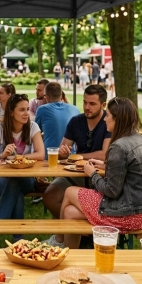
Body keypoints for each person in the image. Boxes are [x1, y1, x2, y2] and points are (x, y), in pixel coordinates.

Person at [60, 97, 142, 249]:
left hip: (129, 215)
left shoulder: (119, 146)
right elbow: (131, 171)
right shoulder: (140, 140)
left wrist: (93, 174)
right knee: (70, 212)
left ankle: (59, 240)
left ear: (117, 119)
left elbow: (111, 191)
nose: (105, 119)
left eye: (108, 115)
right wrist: (106, 166)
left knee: (69, 191)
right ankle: (70, 253)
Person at [43, 84, 112, 247]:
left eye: (92, 104)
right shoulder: (76, 121)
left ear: (103, 105)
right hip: (76, 173)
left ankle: (70, 235)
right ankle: (75, 230)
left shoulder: (109, 121)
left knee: (69, 198)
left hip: (100, 176)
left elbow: (104, 154)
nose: (87, 107)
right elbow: (63, 149)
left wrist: (78, 156)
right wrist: (63, 152)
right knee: (49, 196)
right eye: (85, 102)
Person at [0, 93, 45, 248]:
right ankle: (19, 240)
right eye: (21, 110)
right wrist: (2, 155)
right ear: (11, 112)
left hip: (26, 179)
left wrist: (19, 158)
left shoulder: (32, 126)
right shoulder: (0, 127)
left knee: (15, 182)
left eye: (27, 109)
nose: (26, 113)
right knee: (15, 188)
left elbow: (41, 154)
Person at [35, 82, 80, 150]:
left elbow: (35, 133)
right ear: (61, 96)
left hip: (50, 153)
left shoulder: (42, 109)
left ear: (46, 97)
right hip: (71, 153)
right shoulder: (75, 109)